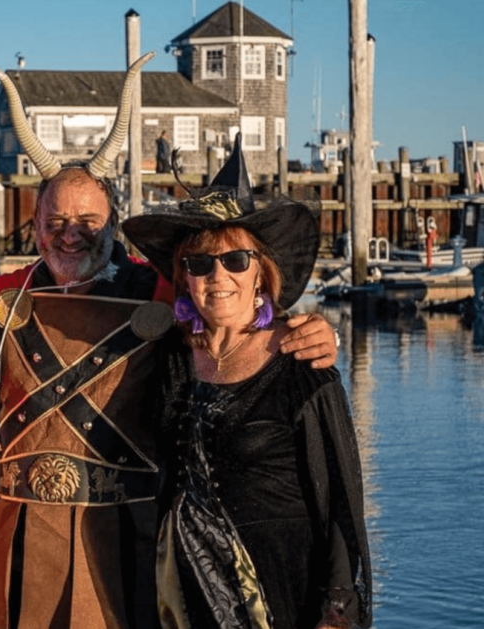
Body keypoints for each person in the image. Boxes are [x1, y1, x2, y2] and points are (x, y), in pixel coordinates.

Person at [0, 57, 341, 629]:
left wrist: (310, 329)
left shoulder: (161, 289)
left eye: (87, 220)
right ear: (35, 218)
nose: (70, 234)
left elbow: (236, 310)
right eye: (55, 221)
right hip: (20, 531)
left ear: (113, 218)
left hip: (127, 532)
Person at [122, 135, 373, 629]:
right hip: (180, 593)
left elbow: (341, 500)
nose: (219, 275)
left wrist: (337, 608)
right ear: (185, 277)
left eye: (236, 259)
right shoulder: (168, 358)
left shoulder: (302, 363)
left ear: (261, 272)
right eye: (200, 263)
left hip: (280, 592)